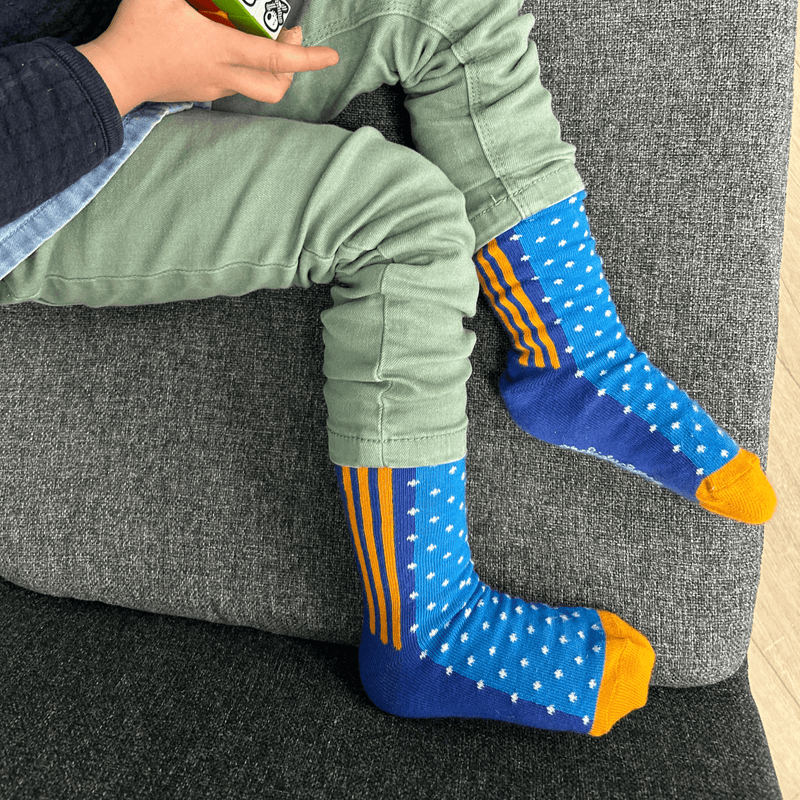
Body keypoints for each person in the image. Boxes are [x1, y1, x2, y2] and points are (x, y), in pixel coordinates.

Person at [0, 0, 777, 737]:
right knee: (405, 223)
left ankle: (574, 351)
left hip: (115, 30)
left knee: (459, 13)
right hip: (50, 165)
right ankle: (425, 627)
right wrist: (127, 66)